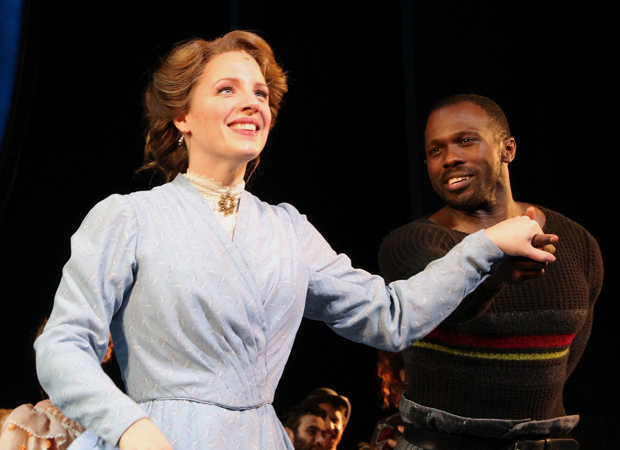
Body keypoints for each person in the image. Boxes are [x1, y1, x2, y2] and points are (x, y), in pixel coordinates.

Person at [34, 33, 556, 450]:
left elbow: (390, 318)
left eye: (260, 93)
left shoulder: (287, 228)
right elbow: (61, 346)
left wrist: (484, 246)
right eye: (227, 89)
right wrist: (130, 427)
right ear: (182, 117)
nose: (251, 103)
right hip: (159, 438)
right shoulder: (128, 217)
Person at [379, 94, 603, 449]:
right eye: (435, 151)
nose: (449, 158)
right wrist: (496, 273)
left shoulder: (577, 242)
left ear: (507, 149)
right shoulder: (411, 243)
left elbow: (566, 359)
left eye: (466, 140)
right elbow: (450, 309)